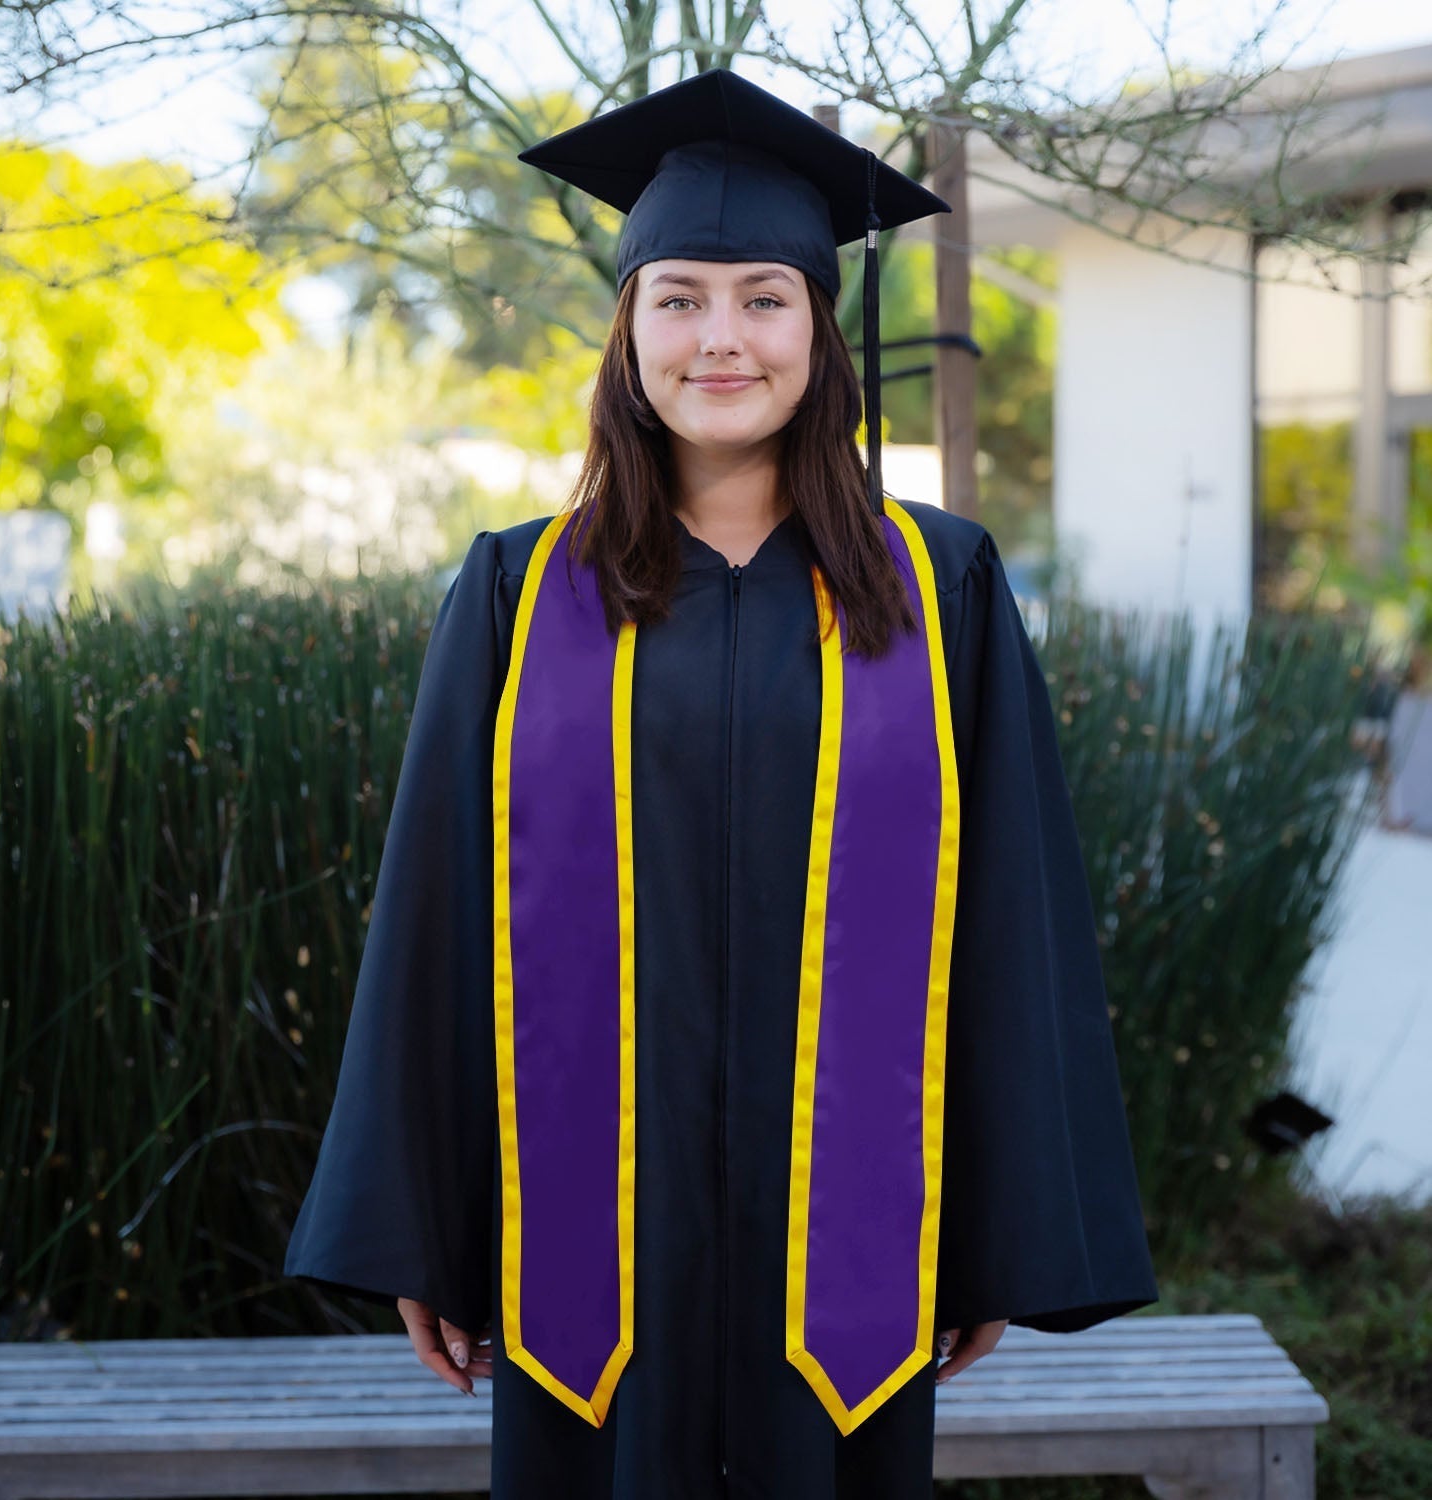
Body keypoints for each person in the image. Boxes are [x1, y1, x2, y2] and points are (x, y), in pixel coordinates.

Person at [283, 68, 1157, 1500]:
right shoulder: (516, 590)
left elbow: (1012, 918)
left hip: (857, 1256)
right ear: (626, 331)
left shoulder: (942, 590)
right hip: (585, 1269)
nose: (721, 338)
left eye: (766, 297)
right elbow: (434, 918)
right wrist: (427, 1228)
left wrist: (993, 1225)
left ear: (822, 326)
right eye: (678, 297)